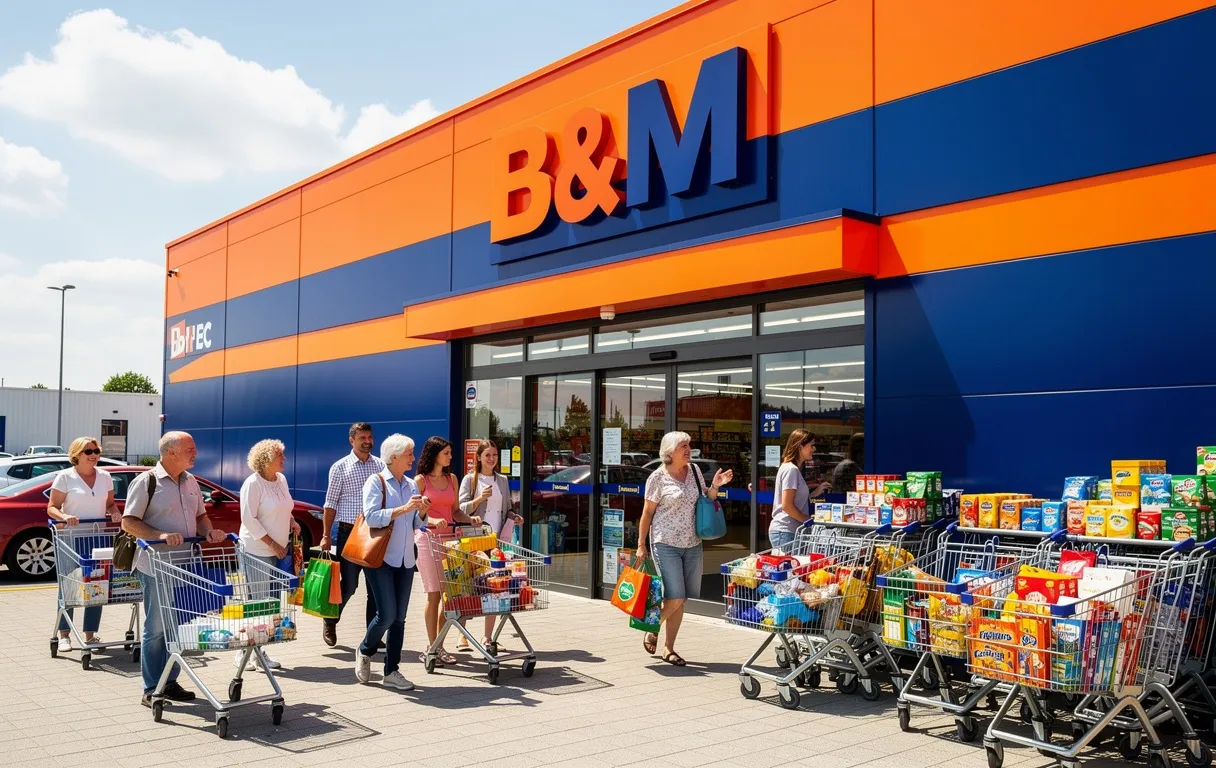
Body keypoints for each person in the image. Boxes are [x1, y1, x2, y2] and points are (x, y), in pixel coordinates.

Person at [121, 431, 227, 707]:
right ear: (171, 453)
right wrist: (160, 534)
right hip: (156, 566)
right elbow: (129, 522)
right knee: (156, 627)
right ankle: (151, 687)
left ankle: (169, 680)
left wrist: (209, 532)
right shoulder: (147, 482)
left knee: (177, 626)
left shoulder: (190, 481)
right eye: (190, 448)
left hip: (186, 565)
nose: (196, 453)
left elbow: (200, 516)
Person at [636, 432, 732, 666]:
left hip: (692, 543)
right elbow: (647, 513)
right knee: (676, 595)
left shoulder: (695, 471)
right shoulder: (657, 478)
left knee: (680, 599)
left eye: (689, 445)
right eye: (683, 446)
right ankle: (651, 627)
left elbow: (705, 499)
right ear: (669, 451)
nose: (689, 449)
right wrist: (640, 545)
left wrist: (715, 487)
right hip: (665, 543)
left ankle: (669, 649)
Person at [355, 434, 430, 690]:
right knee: (386, 614)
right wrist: (404, 509)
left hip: (406, 559)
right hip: (381, 558)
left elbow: (418, 524)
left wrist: (421, 511)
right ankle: (365, 649)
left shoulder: (411, 485)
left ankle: (392, 671)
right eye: (409, 453)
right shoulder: (375, 482)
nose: (413, 457)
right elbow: (372, 517)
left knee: (399, 618)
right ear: (394, 457)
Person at [46, 436, 121, 650]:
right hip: (70, 538)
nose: (94, 455)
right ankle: (64, 634)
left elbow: (110, 504)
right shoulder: (65, 477)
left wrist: (115, 514)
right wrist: (64, 516)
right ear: (76, 455)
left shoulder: (105, 476)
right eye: (88, 451)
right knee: (69, 586)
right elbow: (52, 507)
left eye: (96, 450)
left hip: (97, 537)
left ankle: (90, 635)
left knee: (97, 585)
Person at [414, 436, 480, 666]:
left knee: (448, 595)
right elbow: (416, 515)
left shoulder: (452, 479)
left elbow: (455, 512)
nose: (450, 457)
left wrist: (470, 520)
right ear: (434, 454)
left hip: (450, 541)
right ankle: (432, 647)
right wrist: (431, 519)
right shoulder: (420, 481)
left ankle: (439, 645)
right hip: (427, 540)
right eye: (446, 453)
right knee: (433, 594)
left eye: (450, 453)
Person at [318, 423, 385, 648]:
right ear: (352, 441)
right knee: (349, 586)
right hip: (349, 532)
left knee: (375, 586)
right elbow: (330, 504)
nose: (367, 441)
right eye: (362, 437)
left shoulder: (380, 465)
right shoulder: (340, 467)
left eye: (370, 437)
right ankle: (330, 619)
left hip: (375, 532)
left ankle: (372, 635)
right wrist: (326, 535)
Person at [237, 438, 301, 670]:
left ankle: (255, 650)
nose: (284, 459)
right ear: (265, 460)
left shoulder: (280, 479)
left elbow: (285, 507)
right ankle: (249, 652)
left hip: (279, 550)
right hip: (257, 550)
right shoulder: (252, 484)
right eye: (279, 456)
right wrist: (273, 544)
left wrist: (293, 522)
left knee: (271, 603)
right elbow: (248, 519)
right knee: (258, 603)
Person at [457, 439, 524, 653]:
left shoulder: (502, 480)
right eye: (487, 455)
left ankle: (487, 637)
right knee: (469, 587)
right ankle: (462, 634)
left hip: (496, 543)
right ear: (478, 457)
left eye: (494, 455)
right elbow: (459, 509)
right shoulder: (470, 479)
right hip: (475, 540)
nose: (491, 459)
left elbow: (507, 509)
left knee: (496, 588)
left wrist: (515, 517)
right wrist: (478, 499)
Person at [768, 429, 829, 551]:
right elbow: (787, 506)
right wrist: (809, 521)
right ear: (800, 446)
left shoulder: (793, 469)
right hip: (786, 532)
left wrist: (815, 493)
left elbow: (795, 501)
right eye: (811, 445)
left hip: (789, 532)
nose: (814, 449)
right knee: (791, 568)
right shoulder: (791, 470)